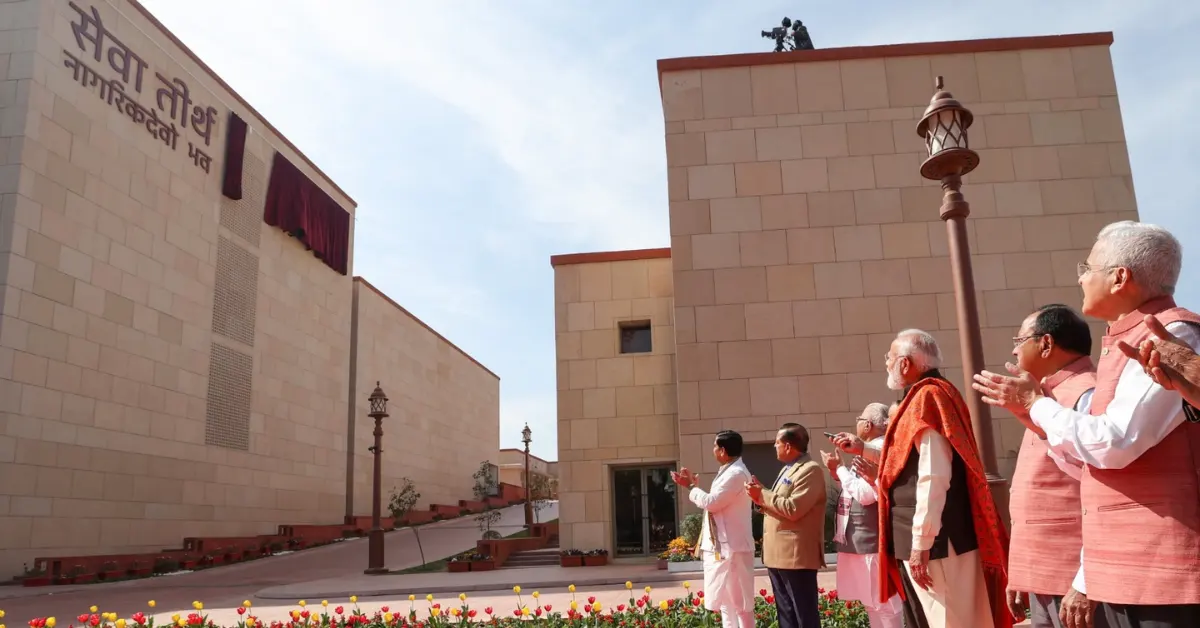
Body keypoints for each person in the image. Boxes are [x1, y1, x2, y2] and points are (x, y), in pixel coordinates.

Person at [973, 221, 1200, 628]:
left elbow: (1114, 443)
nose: (1081, 277)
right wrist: (1032, 410)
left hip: (1157, 565)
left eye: (1087, 267)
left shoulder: (1171, 334)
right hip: (1123, 566)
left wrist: (1036, 407)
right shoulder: (1125, 342)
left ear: (1119, 277)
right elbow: (1092, 464)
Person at [874, 329, 1012, 628]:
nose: (886, 363)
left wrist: (921, 542)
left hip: (938, 543)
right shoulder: (928, 394)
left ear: (906, 364)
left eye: (889, 357)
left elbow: (934, 474)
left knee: (949, 620)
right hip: (927, 538)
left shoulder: (929, 396)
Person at [1004, 304, 1100, 628]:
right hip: (1043, 574)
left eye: (1020, 339)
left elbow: (1102, 493)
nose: (1014, 349)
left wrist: (1086, 582)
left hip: (1074, 577)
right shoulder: (1043, 395)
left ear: (1046, 343)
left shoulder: (1087, 393)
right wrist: (1019, 571)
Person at [822, 402, 903, 628]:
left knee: (884, 604)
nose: (856, 424)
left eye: (859, 419)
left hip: (871, 541)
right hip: (862, 540)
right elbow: (856, 492)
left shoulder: (875, 450)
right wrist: (838, 472)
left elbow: (865, 495)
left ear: (867, 425)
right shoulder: (870, 449)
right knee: (873, 604)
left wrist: (839, 468)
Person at [673, 430, 756, 628]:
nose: (713, 450)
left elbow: (712, 502)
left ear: (723, 450)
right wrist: (694, 486)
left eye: (715, 446)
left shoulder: (735, 473)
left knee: (742, 605)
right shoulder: (729, 470)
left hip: (734, 549)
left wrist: (691, 488)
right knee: (727, 604)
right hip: (725, 549)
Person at [746, 423, 826, 628]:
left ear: (789, 446)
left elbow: (794, 509)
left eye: (777, 443)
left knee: (803, 614)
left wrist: (762, 495)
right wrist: (760, 493)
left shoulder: (810, 470)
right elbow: (778, 503)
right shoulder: (788, 469)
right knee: (786, 613)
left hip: (796, 557)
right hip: (778, 555)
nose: (775, 446)